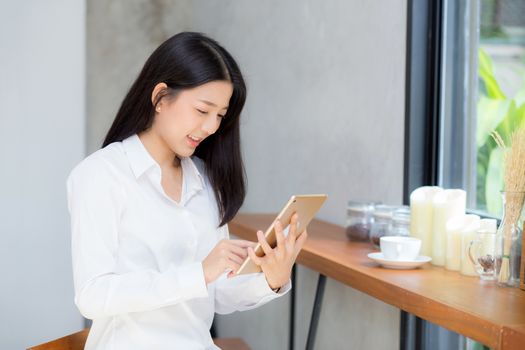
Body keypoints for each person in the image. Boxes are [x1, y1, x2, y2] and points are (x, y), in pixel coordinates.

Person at [65, 31, 308, 349]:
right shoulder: (101, 175)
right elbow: (92, 296)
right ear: (161, 97)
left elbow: (216, 293)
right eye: (202, 110)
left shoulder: (205, 180)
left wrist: (272, 278)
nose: (211, 127)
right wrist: (198, 273)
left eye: (220, 115)